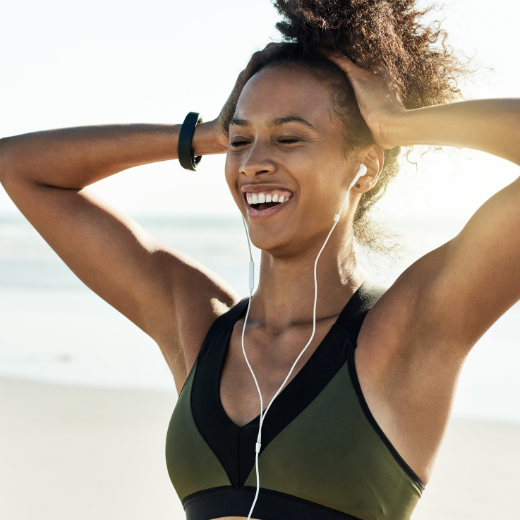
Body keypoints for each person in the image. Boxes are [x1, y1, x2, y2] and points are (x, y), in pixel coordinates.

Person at [1, 0, 519, 519]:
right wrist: (203, 134)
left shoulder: (407, 329)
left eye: (289, 138)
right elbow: (19, 166)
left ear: (364, 167)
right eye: (241, 140)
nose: (253, 164)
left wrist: (393, 123)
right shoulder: (198, 324)